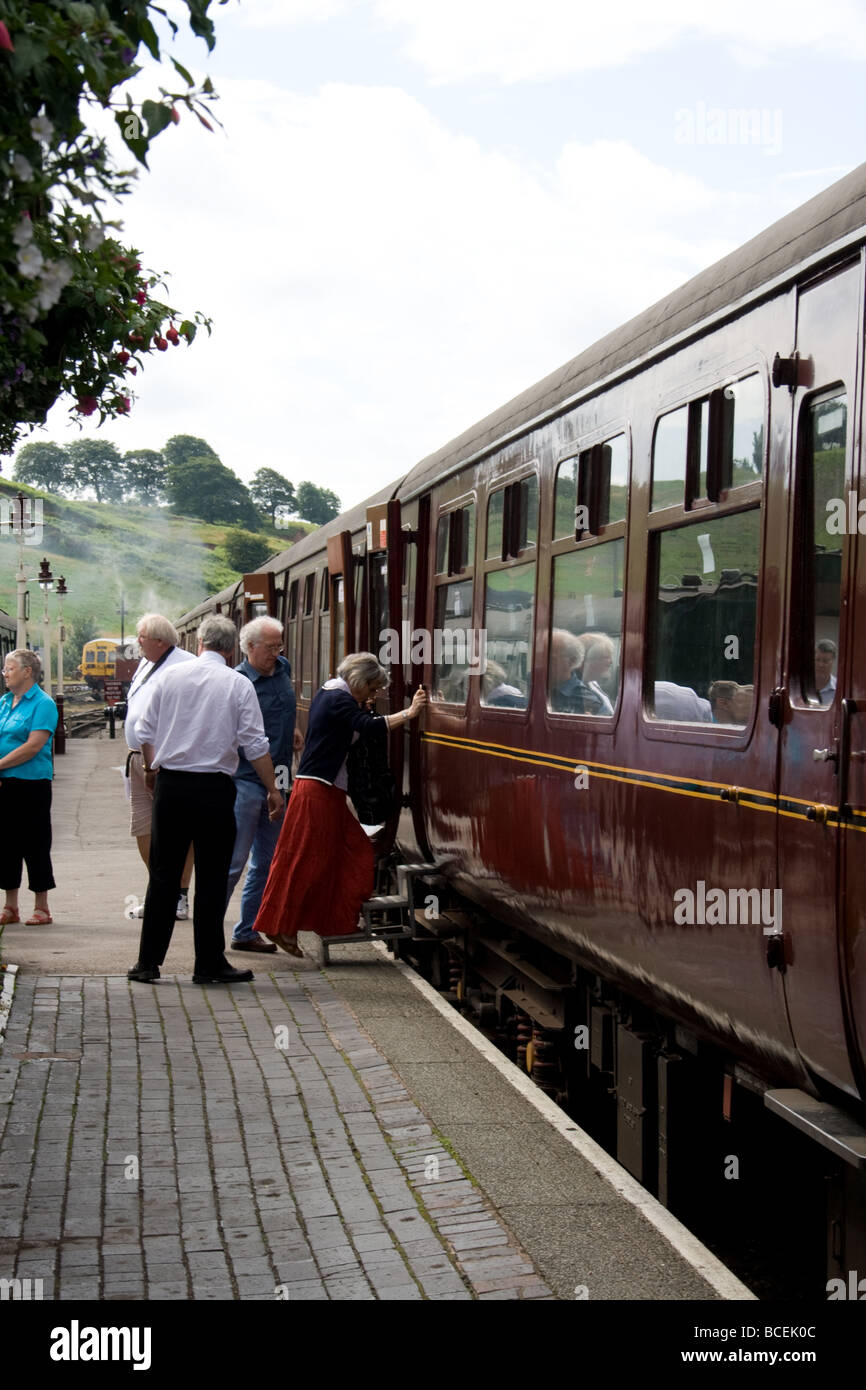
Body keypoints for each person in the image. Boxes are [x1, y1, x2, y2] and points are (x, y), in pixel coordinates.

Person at [126, 614, 283, 986]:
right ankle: (208, 964)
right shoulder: (238, 684)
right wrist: (273, 790)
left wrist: (152, 768)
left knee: (164, 874)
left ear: (199, 644)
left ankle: (147, 964)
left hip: (172, 786)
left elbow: (142, 730)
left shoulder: (168, 677)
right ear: (231, 651)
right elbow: (256, 745)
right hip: (215, 789)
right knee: (212, 876)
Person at [253, 652, 426, 960]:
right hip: (318, 791)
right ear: (359, 680)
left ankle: (333, 921)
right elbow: (368, 727)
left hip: (324, 789)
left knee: (342, 853)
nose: (372, 695)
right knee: (307, 861)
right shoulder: (339, 699)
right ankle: (283, 925)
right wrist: (409, 714)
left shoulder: (332, 695)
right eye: (372, 689)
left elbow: (355, 727)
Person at [227, 616, 303, 955]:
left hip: (281, 780)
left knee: (268, 860)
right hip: (246, 781)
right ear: (250, 647)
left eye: (279, 645)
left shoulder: (282, 668)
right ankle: (209, 929)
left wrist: (293, 728)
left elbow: (286, 705)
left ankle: (247, 931)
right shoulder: (239, 682)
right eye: (270, 647)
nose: (277, 652)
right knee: (234, 861)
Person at [124, 613, 195, 921]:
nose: (137, 642)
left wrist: (157, 761)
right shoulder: (146, 664)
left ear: (160, 640)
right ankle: (159, 890)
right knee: (142, 826)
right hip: (136, 758)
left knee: (178, 829)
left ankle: (179, 895)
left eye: (142, 636)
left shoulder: (184, 664)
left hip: (165, 760)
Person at [0, 650, 59, 926]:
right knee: (6, 844)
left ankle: (42, 906)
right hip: (5, 783)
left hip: (31, 784)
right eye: (4, 669)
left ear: (27, 672)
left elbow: (34, 746)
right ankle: (10, 907)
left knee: (35, 842)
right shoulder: (4, 702)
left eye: (9, 668)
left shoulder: (43, 704)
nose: (5, 673)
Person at [576, 632, 616, 715]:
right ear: (586, 661)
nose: (611, 662)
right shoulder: (577, 692)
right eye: (606, 657)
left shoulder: (592, 683)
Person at [816, 638, 837, 705]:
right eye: (817, 660)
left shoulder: (839, 689)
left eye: (825, 661)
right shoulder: (801, 687)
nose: (820, 665)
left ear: (833, 661)